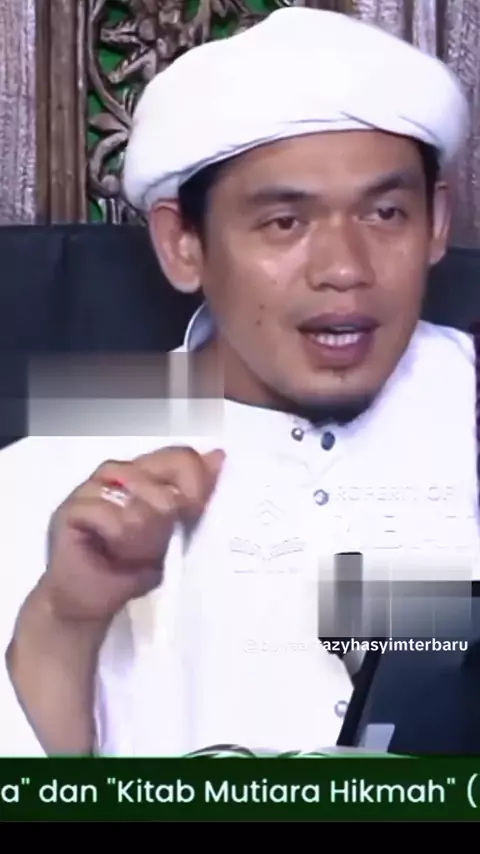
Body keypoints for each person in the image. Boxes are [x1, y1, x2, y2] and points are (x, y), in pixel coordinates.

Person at [0, 6, 476, 758]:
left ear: (438, 221)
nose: (345, 269)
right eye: (286, 223)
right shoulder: (42, 478)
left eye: (386, 213)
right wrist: (65, 621)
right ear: (182, 244)